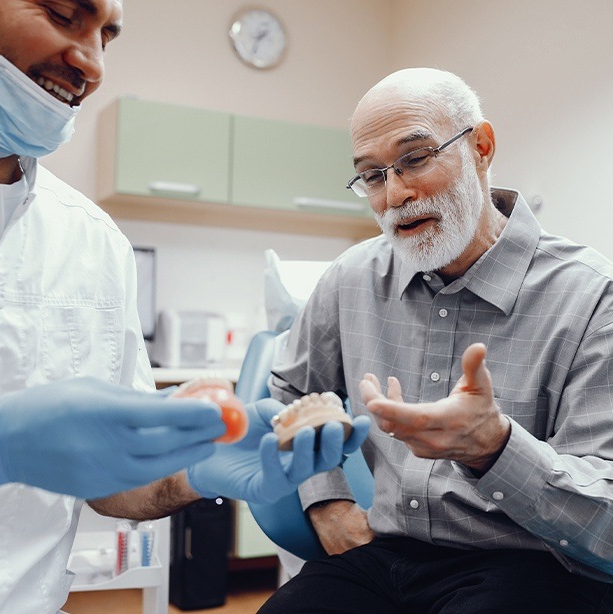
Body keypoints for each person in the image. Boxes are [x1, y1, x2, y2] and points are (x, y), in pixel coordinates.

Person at [0, 0, 371, 611]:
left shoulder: (92, 242)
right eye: (61, 14)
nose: (92, 62)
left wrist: (189, 468)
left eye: (107, 34)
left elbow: (112, 487)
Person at [261, 67, 613, 613]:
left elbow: (607, 525)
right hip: (386, 555)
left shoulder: (593, 298)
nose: (395, 194)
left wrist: (495, 447)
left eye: (416, 158)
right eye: (372, 175)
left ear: (481, 147)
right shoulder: (353, 277)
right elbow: (286, 392)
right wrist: (326, 501)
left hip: (533, 563)